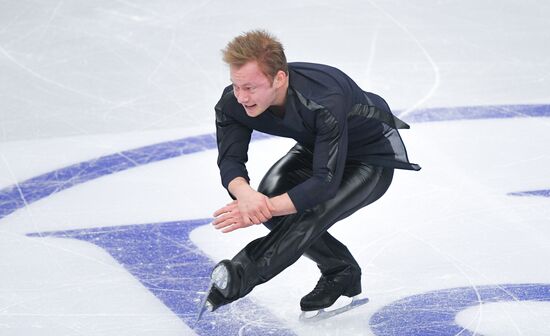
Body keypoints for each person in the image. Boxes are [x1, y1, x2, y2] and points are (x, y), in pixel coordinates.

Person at [205, 29, 420, 314]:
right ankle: (341, 271)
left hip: (369, 158)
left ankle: (239, 275)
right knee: (274, 198)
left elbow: (324, 184)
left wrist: (263, 208)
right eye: (236, 86)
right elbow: (230, 158)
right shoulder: (233, 103)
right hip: (316, 148)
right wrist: (246, 196)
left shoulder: (324, 99)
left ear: (279, 78)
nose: (242, 97)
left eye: (251, 88)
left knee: (306, 213)